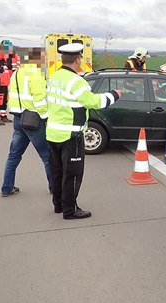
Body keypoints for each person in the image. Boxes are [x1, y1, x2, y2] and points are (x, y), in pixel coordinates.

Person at [46, 43, 123, 220]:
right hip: (71, 136)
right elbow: (93, 102)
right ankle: (70, 210)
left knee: (57, 172)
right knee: (72, 174)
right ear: (78, 59)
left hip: (53, 133)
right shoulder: (76, 81)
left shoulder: (55, 76)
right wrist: (115, 95)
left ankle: (58, 205)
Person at [0, 55, 51, 197]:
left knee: (14, 155)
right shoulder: (36, 74)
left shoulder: (17, 73)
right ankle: (54, 187)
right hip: (33, 119)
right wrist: (46, 117)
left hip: (18, 118)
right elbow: (39, 99)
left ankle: (7, 187)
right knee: (47, 156)